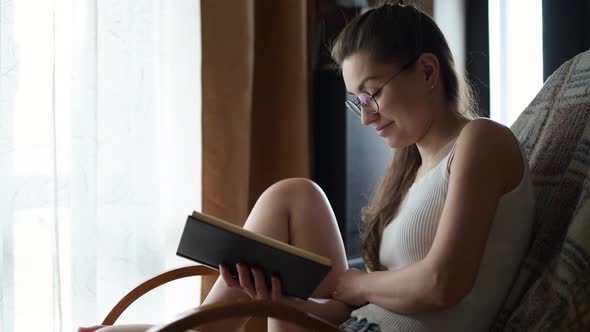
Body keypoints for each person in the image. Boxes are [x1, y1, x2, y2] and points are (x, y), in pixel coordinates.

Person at [83, 1, 534, 332]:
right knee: (295, 194)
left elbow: (441, 284)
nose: (366, 116)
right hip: (354, 325)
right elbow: (346, 307)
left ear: (428, 71)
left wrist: (355, 284)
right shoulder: (412, 173)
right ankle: (183, 326)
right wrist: (278, 300)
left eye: (372, 93)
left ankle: (180, 328)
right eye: (356, 100)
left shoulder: (482, 140)